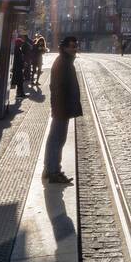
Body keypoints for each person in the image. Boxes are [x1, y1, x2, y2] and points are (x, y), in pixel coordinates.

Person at [46, 36, 82, 185]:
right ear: (65, 47)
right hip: (62, 108)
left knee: (56, 139)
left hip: (63, 107)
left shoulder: (65, 61)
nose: (75, 49)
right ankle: (53, 172)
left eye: (76, 46)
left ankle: (51, 169)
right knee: (57, 140)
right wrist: (61, 108)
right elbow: (58, 87)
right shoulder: (63, 63)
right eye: (72, 46)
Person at [11, 34, 28, 100]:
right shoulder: (17, 50)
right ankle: (19, 94)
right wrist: (23, 63)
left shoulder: (18, 49)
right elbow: (18, 60)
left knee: (20, 81)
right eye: (21, 43)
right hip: (17, 68)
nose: (22, 44)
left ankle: (21, 94)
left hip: (19, 68)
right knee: (20, 81)